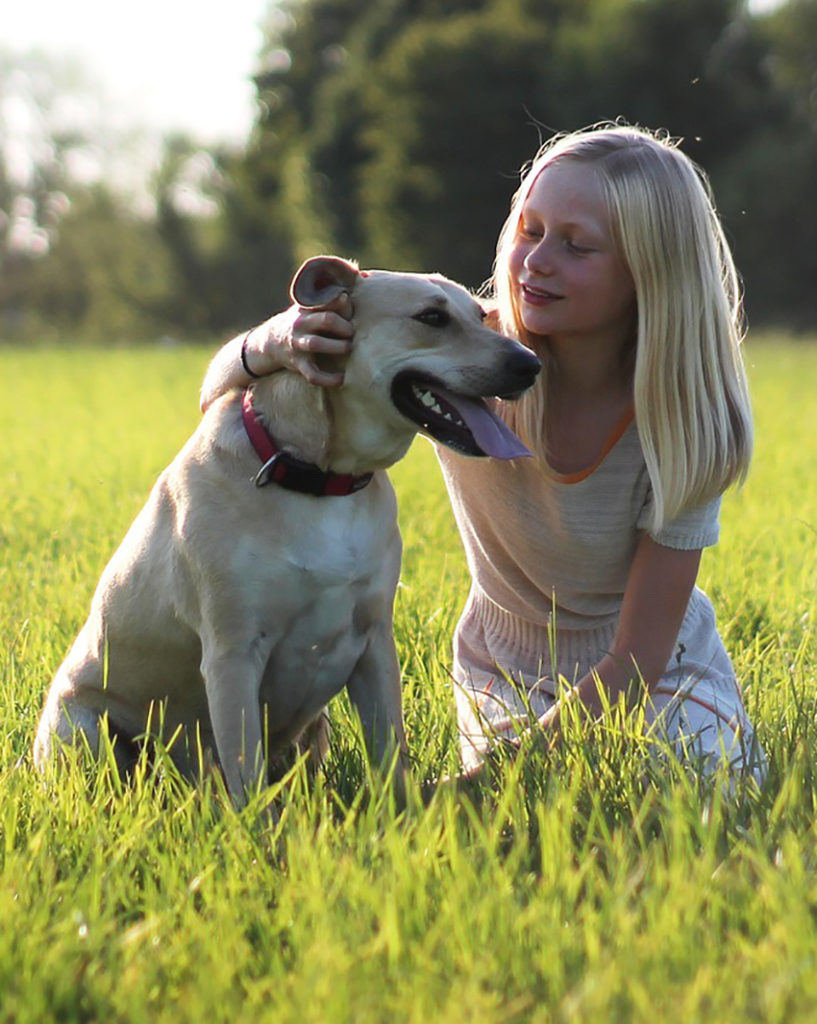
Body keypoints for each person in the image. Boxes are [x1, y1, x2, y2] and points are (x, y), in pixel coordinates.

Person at [201, 123, 765, 782]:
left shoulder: (686, 419)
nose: (535, 261)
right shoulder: (459, 352)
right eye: (529, 231)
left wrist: (477, 785)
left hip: (657, 669)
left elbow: (637, 658)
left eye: (577, 246)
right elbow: (218, 390)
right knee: (529, 817)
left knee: (687, 788)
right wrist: (274, 341)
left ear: (650, 272)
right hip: (505, 668)